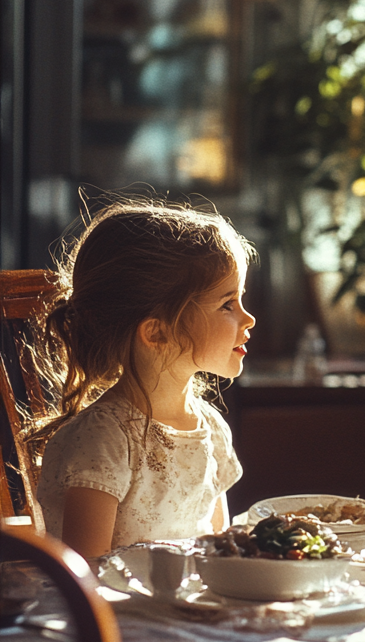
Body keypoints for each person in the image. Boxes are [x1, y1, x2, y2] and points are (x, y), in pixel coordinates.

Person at [31, 200, 256, 558]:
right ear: (157, 333)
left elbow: (221, 551)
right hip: (116, 612)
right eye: (227, 304)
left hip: (190, 608)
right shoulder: (105, 439)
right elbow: (88, 579)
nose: (249, 319)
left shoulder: (211, 428)